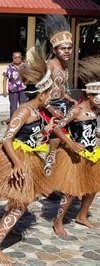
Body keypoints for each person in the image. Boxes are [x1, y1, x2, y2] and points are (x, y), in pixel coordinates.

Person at [0, 47, 55, 264]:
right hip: (19, 159)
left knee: (24, 200)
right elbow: (7, 138)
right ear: (41, 94)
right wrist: (16, 164)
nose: (49, 97)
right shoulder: (23, 111)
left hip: (30, 157)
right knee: (21, 204)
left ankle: (6, 226)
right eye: (48, 93)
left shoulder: (37, 111)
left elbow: (34, 131)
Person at [50, 56, 100, 238]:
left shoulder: (94, 111)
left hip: (92, 153)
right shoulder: (76, 110)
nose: (99, 99)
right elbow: (57, 127)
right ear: (88, 95)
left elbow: (90, 128)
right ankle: (58, 221)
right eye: (96, 96)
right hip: (74, 156)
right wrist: (70, 142)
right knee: (70, 191)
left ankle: (82, 215)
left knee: (93, 187)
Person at [41, 15, 78, 175]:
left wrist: (70, 99)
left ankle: (55, 176)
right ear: (55, 49)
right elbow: (40, 93)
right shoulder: (49, 65)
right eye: (63, 48)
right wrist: (51, 109)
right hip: (49, 110)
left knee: (63, 145)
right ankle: (47, 179)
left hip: (62, 109)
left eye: (69, 48)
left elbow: (61, 89)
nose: (67, 51)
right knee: (54, 144)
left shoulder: (65, 67)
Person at [2, 51, 27, 123]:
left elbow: (29, 76)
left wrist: (26, 83)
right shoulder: (9, 67)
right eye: (15, 57)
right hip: (13, 91)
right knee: (13, 107)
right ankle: (13, 120)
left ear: (21, 58)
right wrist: (4, 90)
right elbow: (5, 79)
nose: (17, 59)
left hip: (23, 90)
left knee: (23, 106)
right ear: (12, 58)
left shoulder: (25, 66)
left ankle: (23, 120)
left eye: (19, 57)